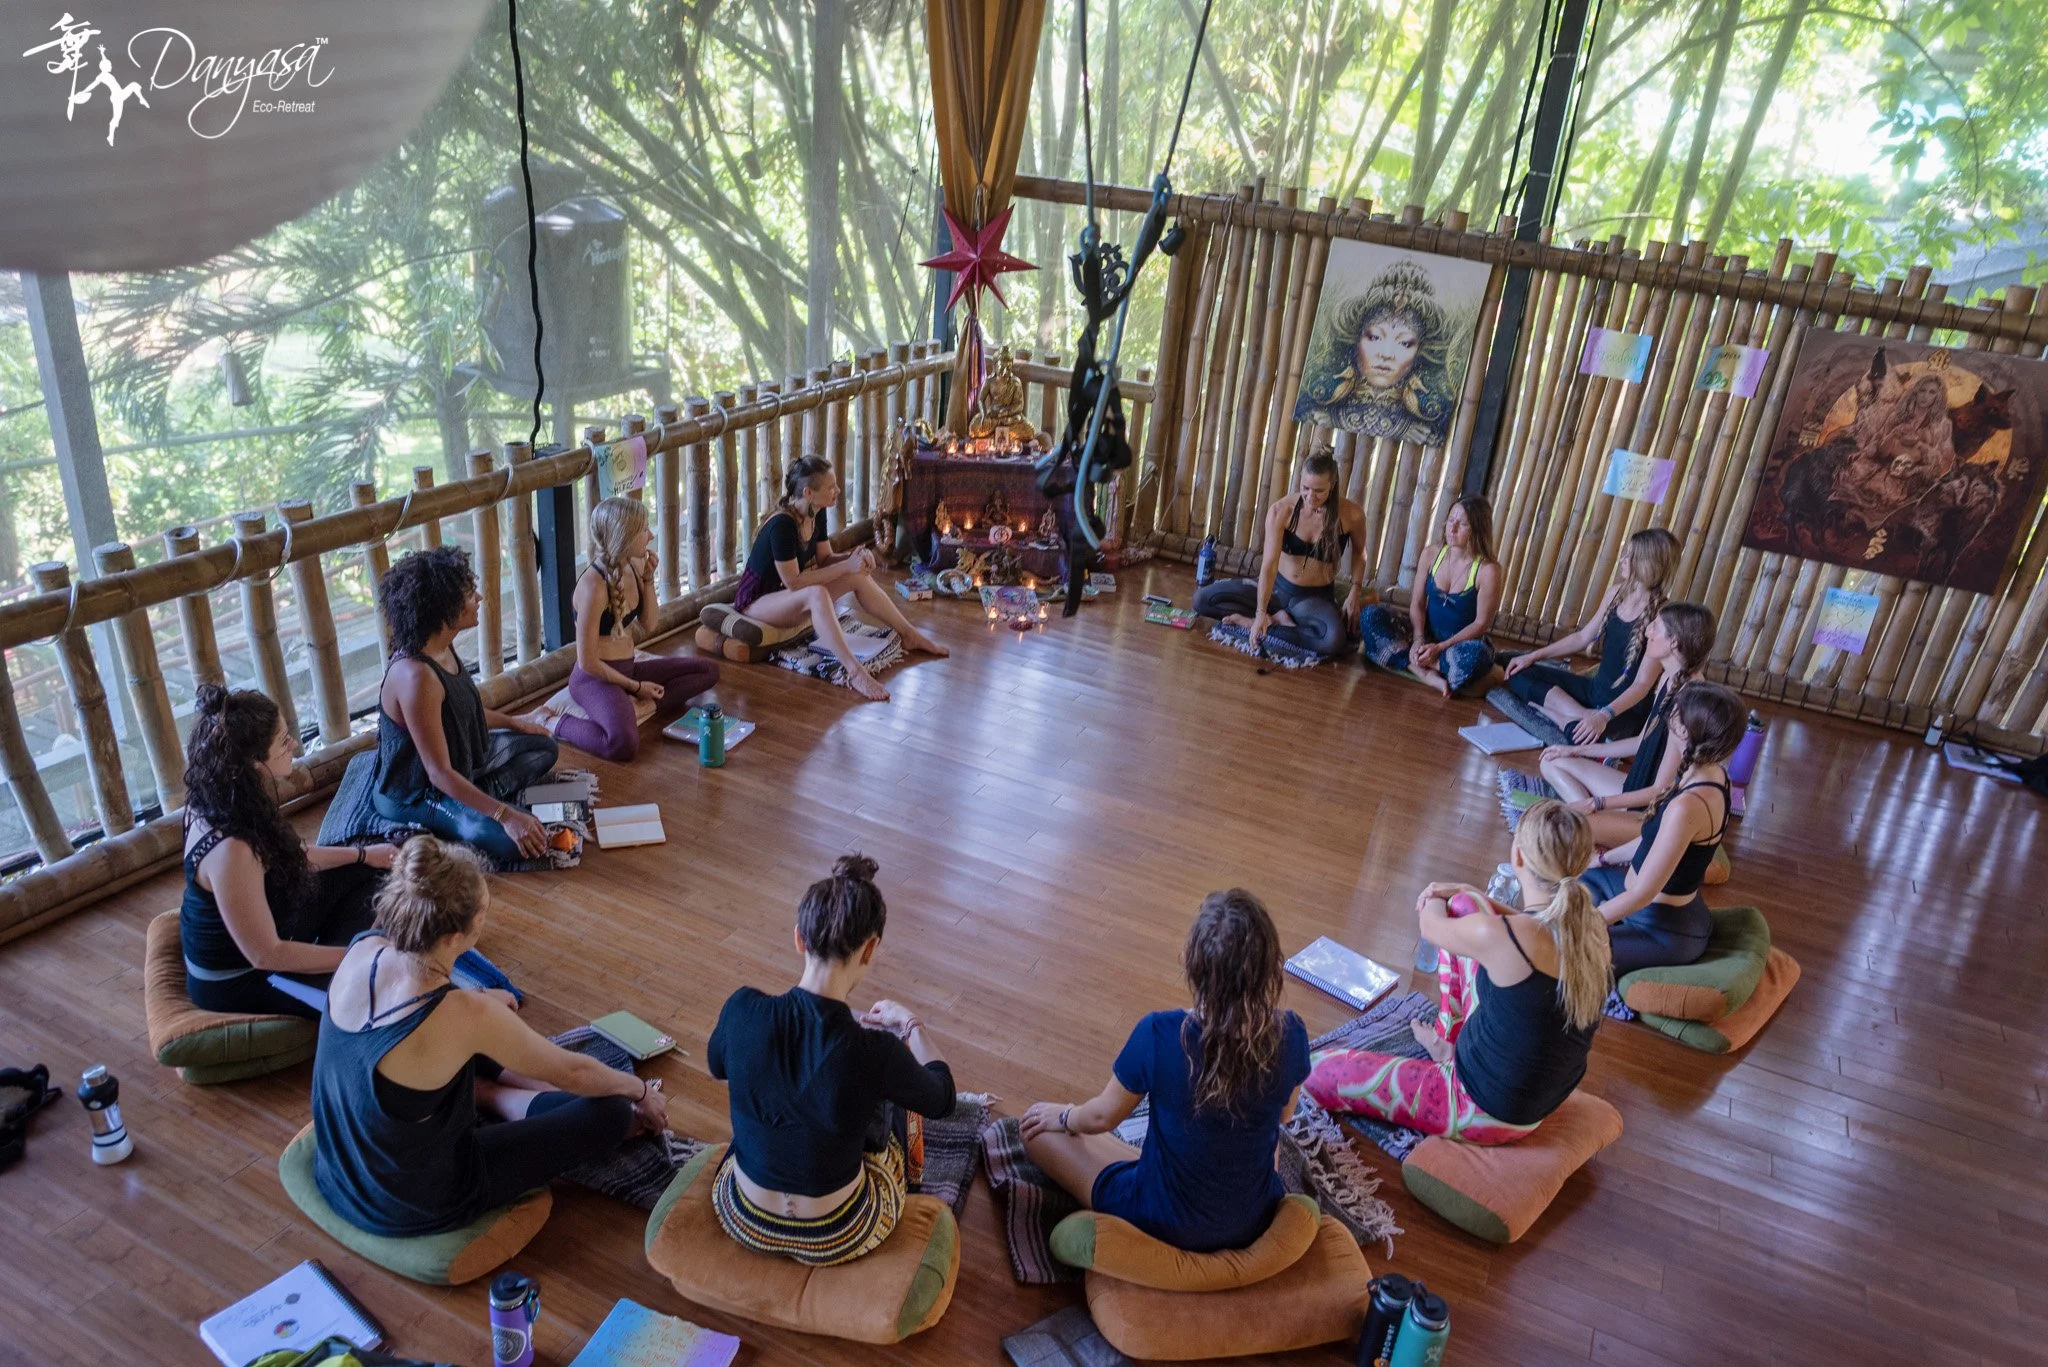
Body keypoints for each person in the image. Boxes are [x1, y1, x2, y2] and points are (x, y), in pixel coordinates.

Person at [311, 838, 659, 1237]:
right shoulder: (465, 1016)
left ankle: (488, 1092)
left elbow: (412, 1004)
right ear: (454, 938)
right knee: (612, 1111)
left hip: (338, 1175)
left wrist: (478, 1002)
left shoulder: (363, 949)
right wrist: (641, 1092)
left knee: (458, 1036)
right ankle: (492, 1095)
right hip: (411, 1203)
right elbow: (574, 1072)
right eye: (482, 916)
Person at [1019, 890, 1310, 1254]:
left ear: (1192, 964)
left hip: (1162, 1219)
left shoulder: (1159, 1034)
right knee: (1263, 1141)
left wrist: (1063, 1116)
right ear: (1272, 968)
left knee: (1034, 1132)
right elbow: (1284, 1115)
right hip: (1252, 1220)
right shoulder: (1292, 1034)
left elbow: (1100, 1117)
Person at [1305, 800, 1607, 1144]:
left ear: (1518, 856)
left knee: (1315, 1070)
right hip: (1536, 1099)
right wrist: (1469, 893)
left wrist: (1434, 892)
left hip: (1482, 1109)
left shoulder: (1506, 937)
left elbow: (1431, 925)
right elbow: (1524, 926)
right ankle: (1447, 1043)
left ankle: (1449, 1066)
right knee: (1466, 906)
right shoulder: (1591, 927)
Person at [706, 855, 954, 1266]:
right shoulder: (876, 1050)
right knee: (892, 1110)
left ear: (799, 938)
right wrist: (910, 1026)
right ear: (870, 949)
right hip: (839, 1231)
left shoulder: (741, 1009)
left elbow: (717, 1066)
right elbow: (943, 1098)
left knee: (766, 1097)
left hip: (743, 1216)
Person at [181, 685, 395, 1019]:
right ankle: (355, 958)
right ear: (253, 763)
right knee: (380, 1007)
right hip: (245, 979)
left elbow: (292, 855)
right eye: (283, 740)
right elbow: (266, 955)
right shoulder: (232, 850)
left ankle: (353, 952)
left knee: (376, 866)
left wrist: (365, 854)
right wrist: (357, 954)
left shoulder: (228, 797)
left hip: (272, 923)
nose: (294, 743)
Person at [370, 545, 558, 867]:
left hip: (459, 765)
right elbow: (438, 773)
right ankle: (475, 805)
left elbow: (462, 714)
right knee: (512, 844)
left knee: (544, 747)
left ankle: (479, 793)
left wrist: (516, 722)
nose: (480, 598)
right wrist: (505, 815)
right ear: (444, 609)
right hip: (417, 792)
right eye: (471, 594)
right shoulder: (417, 677)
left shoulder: (441, 645)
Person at [734, 456, 946, 701]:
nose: (837, 490)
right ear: (809, 492)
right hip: (758, 602)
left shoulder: (816, 512)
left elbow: (825, 558)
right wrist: (847, 564)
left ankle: (910, 634)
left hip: (788, 596)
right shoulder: (782, 525)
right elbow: (795, 582)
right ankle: (855, 672)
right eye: (831, 487)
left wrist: (854, 558)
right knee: (817, 593)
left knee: (857, 576)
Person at [1580, 682, 1745, 974]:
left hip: (1666, 930)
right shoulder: (1710, 772)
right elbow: (1651, 838)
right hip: (1649, 910)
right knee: (1584, 878)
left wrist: (1579, 930)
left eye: (1676, 712)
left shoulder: (1690, 805)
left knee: (1562, 959)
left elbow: (1642, 893)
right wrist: (1602, 859)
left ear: (1683, 731)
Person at [553, 496, 719, 761]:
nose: (650, 536)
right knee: (623, 744)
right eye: (643, 530)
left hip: (629, 667)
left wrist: (649, 579)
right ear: (624, 536)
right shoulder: (593, 587)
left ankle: (643, 707)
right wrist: (635, 686)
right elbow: (587, 662)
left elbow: (650, 624)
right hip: (595, 678)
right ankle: (554, 722)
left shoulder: (634, 564)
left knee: (707, 670)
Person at [1539, 602, 1716, 850]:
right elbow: (1639, 742)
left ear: (1674, 642)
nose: (1647, 633)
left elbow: (1660, 790)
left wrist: (1599, 803)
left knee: (1566, 826)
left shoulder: (1688, 704)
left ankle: (1597, 825)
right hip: (1634, 787)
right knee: (1551, 760)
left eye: (1655, 627)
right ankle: (1595, 821)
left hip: (1651, 813)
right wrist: (1575, 751)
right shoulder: (1667, 678)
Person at [1504, 527, 1678, 740]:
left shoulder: (1663, 614)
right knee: (1518, 674)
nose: (1622, 559)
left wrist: (1605, 716)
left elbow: (1642, 685)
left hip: (1625, 711)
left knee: (1577, 737)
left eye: (1630, 556)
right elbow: (1582, 637)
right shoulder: (1617, 592)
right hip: (1594, 692)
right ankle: (1581, 715)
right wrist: (1532, 656)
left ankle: (1563, 717)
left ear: (1647, 564)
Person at [1192, 452, 1367, 659]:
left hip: (1314, 598)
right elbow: (1269, 566)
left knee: (1333, 640)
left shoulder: (1351, 515)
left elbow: (1360, 553)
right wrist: (1259, 612)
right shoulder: (1282, 511)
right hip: (1276, 588)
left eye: (1319, 490)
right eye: (1305, 488)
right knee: (1202, 599)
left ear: (1333, 485)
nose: (1311, 496)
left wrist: (1355, 591)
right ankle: (1269, 621)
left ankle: (1264, 624)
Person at [1296, 261, 1460, 447]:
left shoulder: (1428, 427)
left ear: (1419, 352)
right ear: (1356, 340)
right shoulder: (1316, 407)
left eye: (1404, 343)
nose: (1386, 354)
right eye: (1374, 337)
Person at [1358, 495, 1502, 697]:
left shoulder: (1488, 570)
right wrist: (1418, 639)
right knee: (1369, 615)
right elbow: (1417, 603)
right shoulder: (1431, 554)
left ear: (1477, 529)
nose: (1452, 529)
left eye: (1462, 525)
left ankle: (1413, 660)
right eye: (1451, 521)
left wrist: (1441, 647)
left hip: (1459, 645)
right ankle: (1423, 671)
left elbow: (1480, 624)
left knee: (1475, 659)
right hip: (1425, 634)